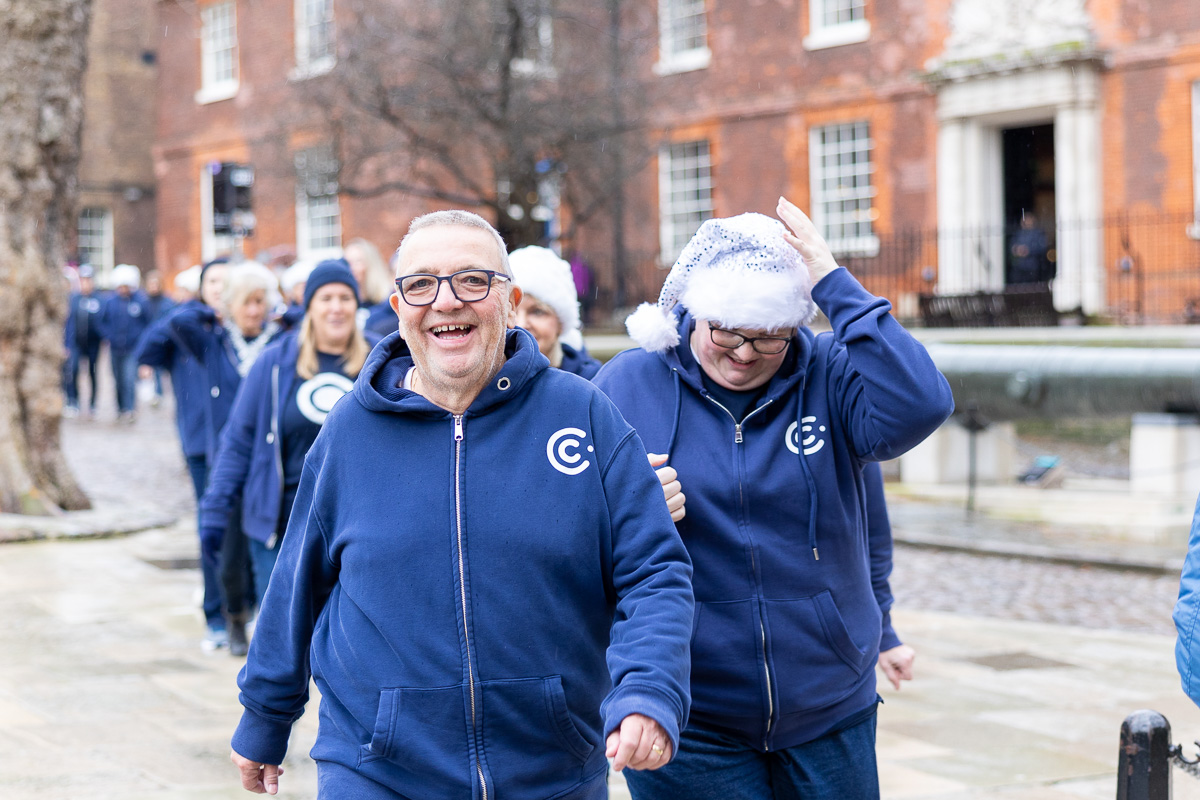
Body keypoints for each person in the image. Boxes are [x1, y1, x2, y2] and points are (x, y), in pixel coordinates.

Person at [229, 210, 693, 799]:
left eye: (472, 280)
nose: (446, 301)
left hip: (551, 770)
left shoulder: (584, 415)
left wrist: (648, 690)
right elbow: (297, 580)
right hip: (376, 770)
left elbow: (655, 572)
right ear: (398, 307)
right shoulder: (350, 431)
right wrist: (265, 714)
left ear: (510, 301)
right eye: (421, 284)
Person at [593, 199, 953, 799]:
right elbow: (569, 531)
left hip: (829, 700)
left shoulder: (831, 374)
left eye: (769, 339)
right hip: (692, 709)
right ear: (694, 314)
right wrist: (627, 505)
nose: (743, 354)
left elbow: (922, 404)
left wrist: (832, 281)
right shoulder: (629, 384)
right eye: (726, 333)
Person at [200, 260, 377, 617]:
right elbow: (239, 440)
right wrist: (215, 510)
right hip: (281, 526)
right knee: (283, 633)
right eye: (325, 298)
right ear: (308, 306)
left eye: (345, 297)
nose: (336, 307)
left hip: (359, 526)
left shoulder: (380, 360)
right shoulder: (275, 363)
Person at [163, 261, 288, 655]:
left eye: (259, 302)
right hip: (230, 463)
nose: (254, 311)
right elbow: (177, 322)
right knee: (230, 557)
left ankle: (267, 626)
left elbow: (306, 320)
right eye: (245, 302)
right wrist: (211, 306)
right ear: (230, 305)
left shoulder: (282, 343)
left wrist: (284, 307)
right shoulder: (215, 344)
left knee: (269, 552)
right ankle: (234, 615)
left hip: (271, 465)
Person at [137, 258, 232, 650]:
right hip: (199, 440)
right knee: (211, 526)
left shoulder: (242, 331)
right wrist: (195, 309)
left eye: (227, 282)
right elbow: (147, 350)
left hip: (239, 444)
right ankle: (216, 611)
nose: (220, 288)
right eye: (212, 281)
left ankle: (243, 604)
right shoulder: (187, 325)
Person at [509, 245, 602, 379]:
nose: (521, 324)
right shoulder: (484, 384)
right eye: (512, 311)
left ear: (561, 322)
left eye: (537, 312)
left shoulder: (593, 383)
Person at [98, 264, 150, 423]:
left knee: (129, 379)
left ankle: (130, 409)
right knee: (118, 380)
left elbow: (147, 323)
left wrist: (140, 339)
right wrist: (109, 336)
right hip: (115, 348)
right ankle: (120, 408)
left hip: (132, 348)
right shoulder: (111, 302)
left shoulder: (140, 301)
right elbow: (101, 322)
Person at [63, 265, 105, 418]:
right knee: (72, 371)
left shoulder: (99, 300)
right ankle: (73, 401)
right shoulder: (73, 299)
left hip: (93, 344)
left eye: (88, 280)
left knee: (92, 373)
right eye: (83, 280)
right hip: (76, 343)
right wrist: (66, 343)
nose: (85, 283)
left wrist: (104, 337)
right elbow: (68, 322)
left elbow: (103, 322)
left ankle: (93, 403)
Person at [345, 237, 396, 335]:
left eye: (358, 261)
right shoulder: (345, 306)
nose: (351, 267)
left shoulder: (387, 303)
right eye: (347, 262)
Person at [141, 270, 177, 407]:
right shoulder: (144, 302)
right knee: (151, 367)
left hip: (165, 339)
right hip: (149, 339)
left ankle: (164, 392)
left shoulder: (167, 302)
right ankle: (156, 393)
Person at [1009, 212, 1051, 285]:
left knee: (1032, 287)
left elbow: (1042, 247)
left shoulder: (1037, 233)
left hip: (1032, 267)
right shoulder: (1019, 233)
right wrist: (1016, 249)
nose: (1025, 221)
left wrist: (1028, 250)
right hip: (1019, 267)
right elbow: (1012, 245)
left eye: (1028, 219)